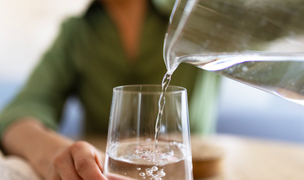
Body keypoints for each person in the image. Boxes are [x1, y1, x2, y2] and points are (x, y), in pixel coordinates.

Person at [0, 0, 220, 180]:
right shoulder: (77, 33)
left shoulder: (199, 14)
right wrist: (58, 155)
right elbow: (19, 113)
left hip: (207, 172)